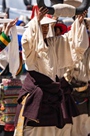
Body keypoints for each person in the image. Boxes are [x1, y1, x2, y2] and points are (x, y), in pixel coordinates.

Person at [14, 7, 89, 136]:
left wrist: (79, 22)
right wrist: (36, 21)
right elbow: (27, 40)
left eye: (46, 27)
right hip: (36, 95)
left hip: (52, 96)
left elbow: (72, 42)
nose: (44, 30)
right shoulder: (31, 48)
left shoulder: (53, 44)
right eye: (41, 26)